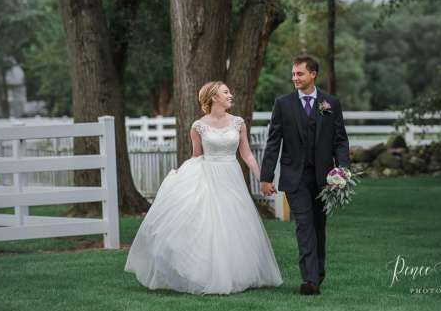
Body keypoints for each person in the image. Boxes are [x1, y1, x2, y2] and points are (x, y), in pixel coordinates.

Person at [124, 81, 283, 295]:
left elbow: (246, 154)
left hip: (231, 177)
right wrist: (182, 176)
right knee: (210, 224)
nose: (230, 95)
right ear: (213, 97)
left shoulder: (238, 123)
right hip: (208, 176)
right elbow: (196, 155)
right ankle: (207, 275)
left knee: (234, 223)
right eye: (225, 92)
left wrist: (263, 178)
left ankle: (236, 274)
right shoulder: (198, 126)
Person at [260, 55, 350, 296]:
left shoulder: (331, 103)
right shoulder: (283, 103)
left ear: (313, 74)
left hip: (324, 178)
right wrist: (266, 177)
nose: (295, 78)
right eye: (293, 74)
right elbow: (273, 142)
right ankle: (309, 280)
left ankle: (318, 273)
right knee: (304, 224)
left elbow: (340, 140)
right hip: (294, 176)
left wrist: (342, 170)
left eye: (299, 74)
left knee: (319, 225)